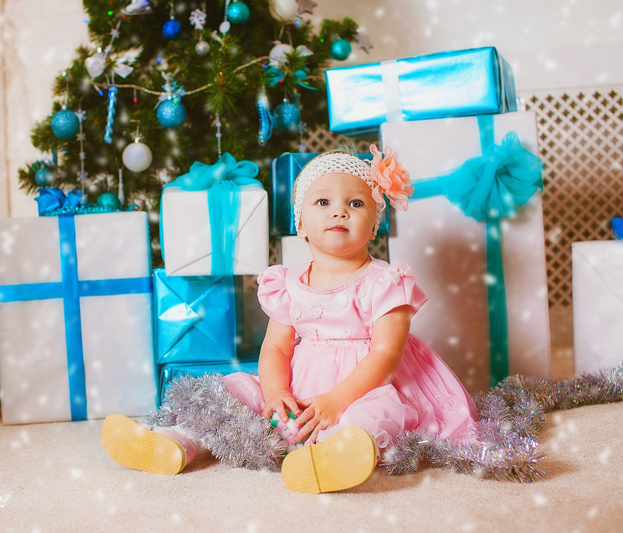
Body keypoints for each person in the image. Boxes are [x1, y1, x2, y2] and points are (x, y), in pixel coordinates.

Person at [101, 145, 478, 493]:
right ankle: (176, 440)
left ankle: (338, 455)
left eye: (356, 203)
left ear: (375, 224)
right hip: (300, 387)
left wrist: (336, 400)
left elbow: (386, 356)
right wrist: (277, 393)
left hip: (366, 385)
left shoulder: (385, 281)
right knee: (237, 388)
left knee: (379, 411)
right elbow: (276, 349)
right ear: (300, 224)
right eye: (323, 202)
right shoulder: (288, 284)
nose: (339, 211)